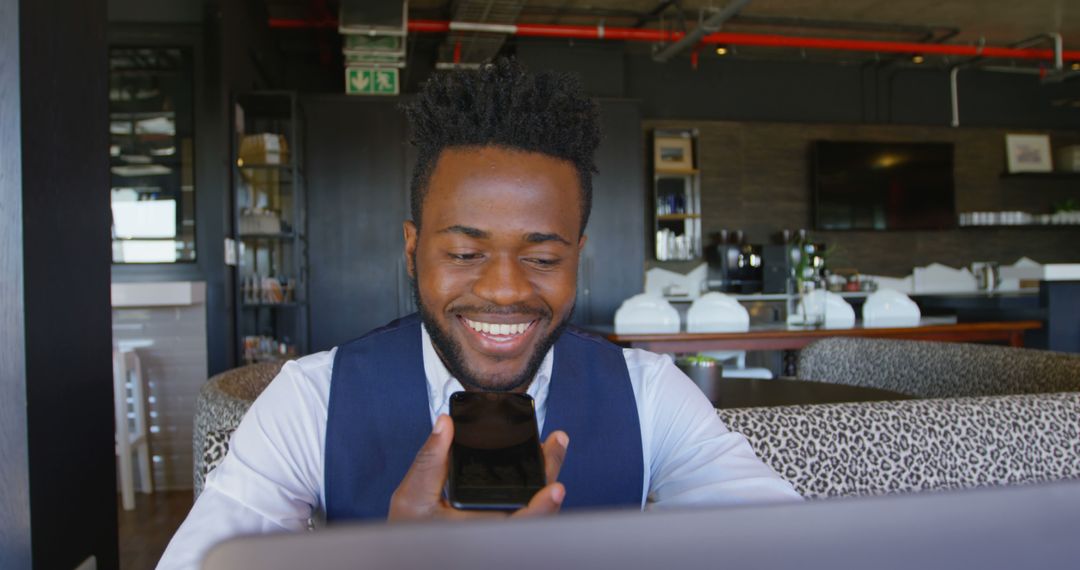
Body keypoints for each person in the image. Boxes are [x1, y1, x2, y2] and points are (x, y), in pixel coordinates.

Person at [157, 58, 799, 569]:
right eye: (465, 251)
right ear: (412, 249)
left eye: (543, 258)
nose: (501, 290)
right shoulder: (309, 402)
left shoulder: (651, 396)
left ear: (579, 255)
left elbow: (792, 546)